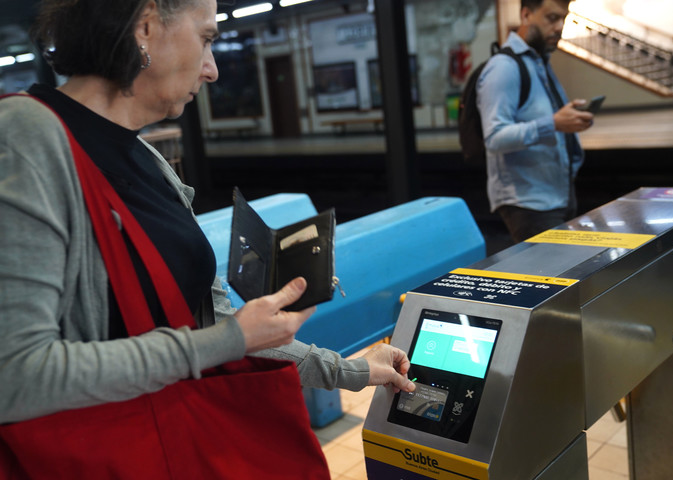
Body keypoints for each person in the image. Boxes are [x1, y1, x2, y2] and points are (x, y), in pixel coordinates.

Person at [0, 0, 414, 430]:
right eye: (206, 39)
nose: (212, 69)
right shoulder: (23, 139)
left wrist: (354, 371)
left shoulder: (146, 159)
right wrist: (228, 340)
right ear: (145, 26)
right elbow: (14, 375)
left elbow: (220, 330)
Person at [477, 0, 595, 243]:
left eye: (564, 18)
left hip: (556, 195)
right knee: (554, 278)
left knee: (566, 277)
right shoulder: (504, 68)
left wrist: (569, 119)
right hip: (528, 203)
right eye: (551, 18)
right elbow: (494, 138)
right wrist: (553, 123)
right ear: (526, 15)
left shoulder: (539, 61)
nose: (559, 26)